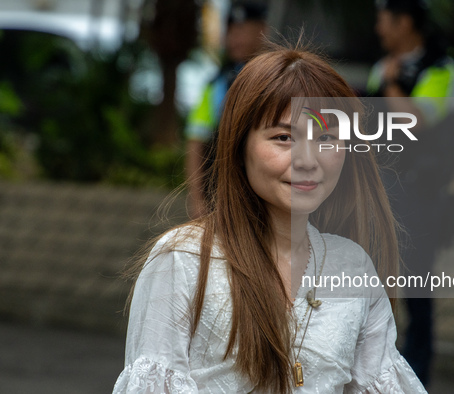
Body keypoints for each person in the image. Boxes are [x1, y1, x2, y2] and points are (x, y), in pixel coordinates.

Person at [113, 44, 428, 393]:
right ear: (239, 144)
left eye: (326, 137)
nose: (308, 160)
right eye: (283, 137)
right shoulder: (184, 260)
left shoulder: (352, 267)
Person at [368, 0, 454, 387]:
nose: (378, 28)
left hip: (422, 195)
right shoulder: (383, 66)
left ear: (404, 22)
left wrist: (391, 83)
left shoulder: (440, 70)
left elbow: (416, 120)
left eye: (383, 19)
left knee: (416, 287)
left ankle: (417, 374)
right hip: (384, 191)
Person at [185, 2, 267, 218]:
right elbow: (196, 142)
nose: (235, 38)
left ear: (263, 31)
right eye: (230, 31)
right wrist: (198, 201)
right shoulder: (215, 85)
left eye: (243, 30)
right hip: (222, 199)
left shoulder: (279, 82)